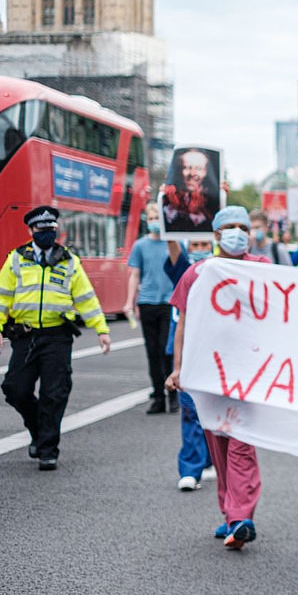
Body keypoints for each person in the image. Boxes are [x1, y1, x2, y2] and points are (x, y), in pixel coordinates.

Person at [166, 206, 270, 549]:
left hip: (249, 372)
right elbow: (184, 322)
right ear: (215, 234)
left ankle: (242, 517)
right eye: (230, 227)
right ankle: (230, 513)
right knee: (219, 444)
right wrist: (178, 368)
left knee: (240, 443)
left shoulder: (265, 270)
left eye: (243, 226)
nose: (238, 232)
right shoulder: (197, 273)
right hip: (209, 375)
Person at [0, 206, 112, 470]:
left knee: (54, 394)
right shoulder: (17, 259)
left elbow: (86, 298)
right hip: (26, 335)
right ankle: (38, 431)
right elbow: (1, 296)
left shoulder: (68, 261)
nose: (47, 234)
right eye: (41, 230)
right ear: (31, 231)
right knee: (15, 389)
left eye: (51, 230)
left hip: (57, 335)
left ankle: (47, 449)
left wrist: (101, 329)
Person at [164, 239, 214, 492]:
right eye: (196, 243)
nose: (201, 246)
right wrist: (169, 225)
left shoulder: (221, 270)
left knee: (214, 414)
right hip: (189, 352)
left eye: (206, 242)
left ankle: (210, 458)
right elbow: (173, 249)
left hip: (216, 355)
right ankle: (190, 469)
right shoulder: (186, 270)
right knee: (190, 411)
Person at [126, 203, 178, 414]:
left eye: (158, 216)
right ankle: (157, 395)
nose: (155, 220)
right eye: (151, 216)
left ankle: (172, 394)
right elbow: (135, 274)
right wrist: (130, 301)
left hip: (169, 303)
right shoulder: (140, 246)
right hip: (147, 302)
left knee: (168, 351)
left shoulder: (173, 244)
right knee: (152, 352)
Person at [162, 148, 218, 233]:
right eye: (187, 167)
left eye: (198, 168)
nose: (192, 173)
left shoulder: (213, 202)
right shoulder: (169, 199)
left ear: (206, 172)